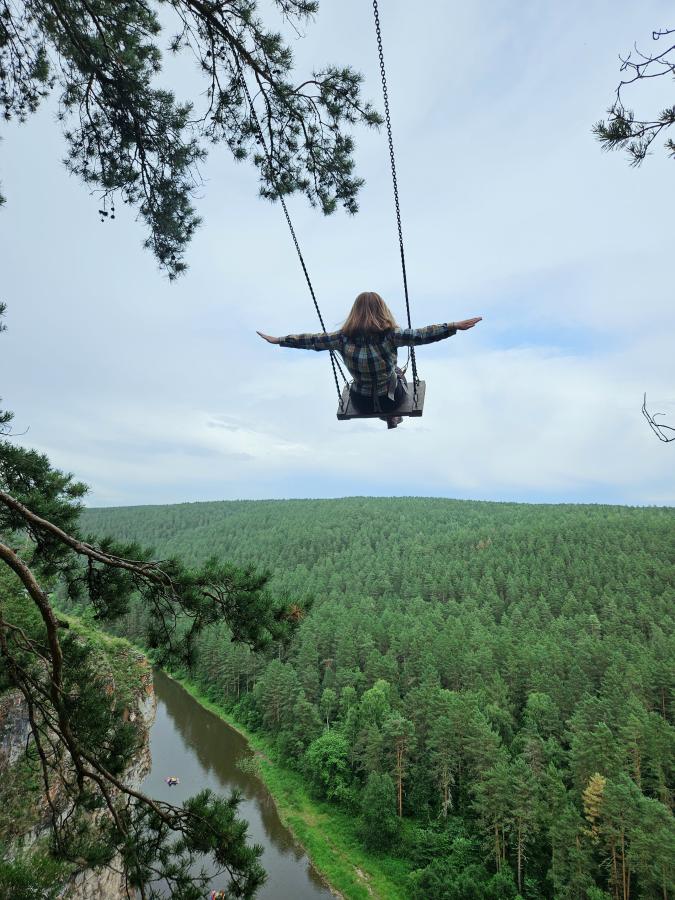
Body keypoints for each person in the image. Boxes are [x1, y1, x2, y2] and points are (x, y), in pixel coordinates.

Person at [258, 291, 481, 428]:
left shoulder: (340, 339)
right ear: (382, 311)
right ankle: (392, 417)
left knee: (374, 381)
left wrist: (279, 340)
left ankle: (390, 417)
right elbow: (423, 335)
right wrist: (453, 326)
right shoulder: (391, 335)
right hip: (390, 400)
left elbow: (310, 340)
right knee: (396, 375)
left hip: (359, 401)